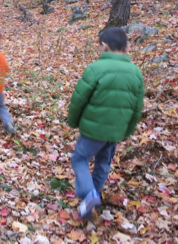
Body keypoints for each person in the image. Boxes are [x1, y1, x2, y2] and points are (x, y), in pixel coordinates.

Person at [68, 27, 144, 219]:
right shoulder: (135, 72)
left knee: (79, 158)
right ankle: (91, 201)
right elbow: (137, 108)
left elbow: (79, 99)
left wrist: (73, 121)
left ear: (104, 45)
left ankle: (89, 194)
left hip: (94, 128)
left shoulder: (96, 68)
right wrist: (127, 131)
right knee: (103, 162)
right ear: (125, 47)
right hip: (116, 130)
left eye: (99, 46)